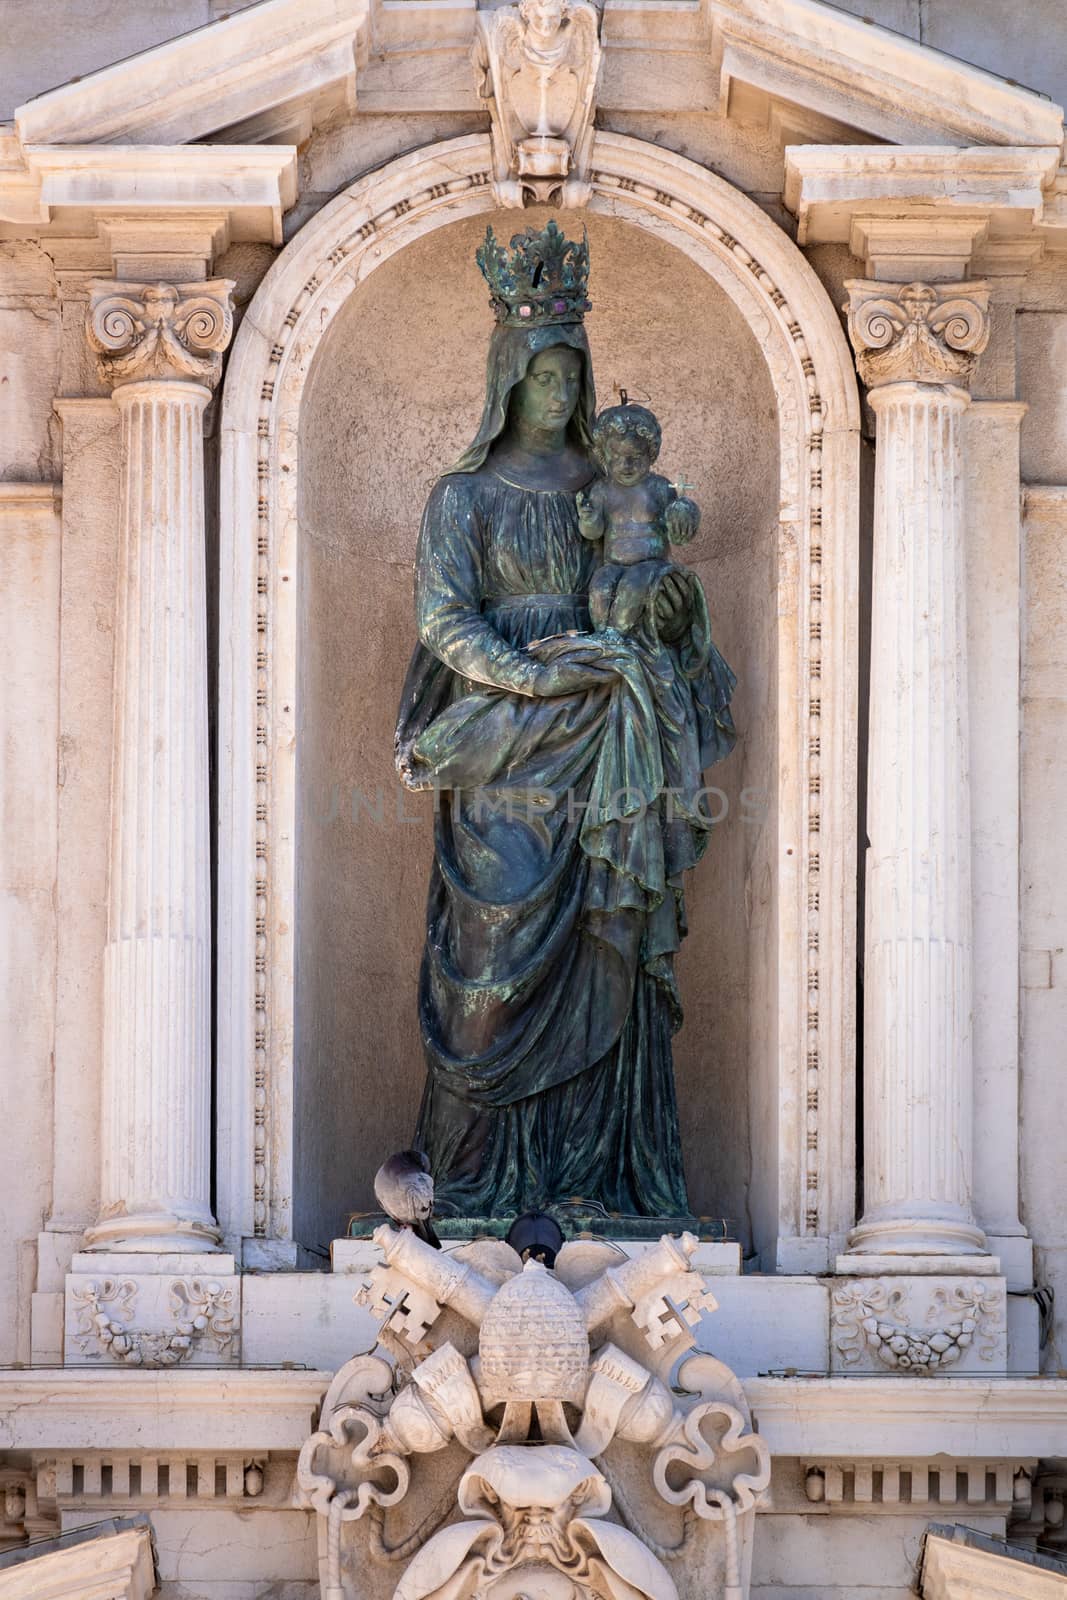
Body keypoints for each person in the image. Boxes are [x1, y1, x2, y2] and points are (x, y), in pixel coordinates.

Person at [393, 221, 735, 1223]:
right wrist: (520, 675)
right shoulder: (460, 498)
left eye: (569, 373)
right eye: (542, 372)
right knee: (488, 960)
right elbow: (441, 617)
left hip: (606, 727)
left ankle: (594, 1181)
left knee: (607, 943)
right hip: (502, 741)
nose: (558, 390)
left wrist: (666, 616)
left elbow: (649, 597)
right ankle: (469, 1184)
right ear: (508, 377)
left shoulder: (612, 491)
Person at [577, 399, 702, 635]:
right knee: (600, 586)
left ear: (650, 454)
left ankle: (616, 637)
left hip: (652, 568)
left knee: (633, 584)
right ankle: (604, 635)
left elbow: (678, 535)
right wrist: (589, 518)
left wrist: (683, 513)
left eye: (636, 456)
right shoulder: (602, 491)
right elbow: (593, 533)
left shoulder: (659, 488)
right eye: (617, 456)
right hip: (613, 566)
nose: (626, 464)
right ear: (604, 455)